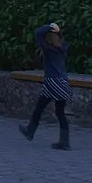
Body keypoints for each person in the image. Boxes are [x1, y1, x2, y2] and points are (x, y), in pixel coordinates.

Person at [19, 22, 72, 150]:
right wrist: (57, 30)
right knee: (60, 112)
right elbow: (59, 38)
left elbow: (38, 34)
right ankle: (64, 141)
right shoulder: (63, 48)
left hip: (52, 82)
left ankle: (30, 131)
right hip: (63, 83)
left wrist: (49, 27)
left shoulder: (48, 50)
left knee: (40, 107)